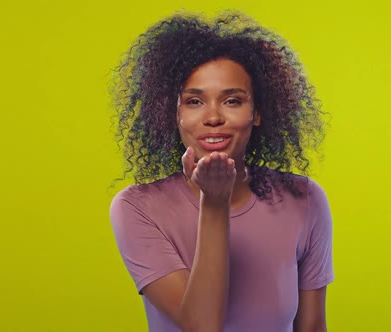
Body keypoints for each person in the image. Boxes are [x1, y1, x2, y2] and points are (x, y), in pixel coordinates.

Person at [109, 10, 334, 332]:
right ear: (174, 115)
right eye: (194, 101)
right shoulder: (137, 207)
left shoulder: (304, 199)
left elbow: (312, 327)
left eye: (232, 100)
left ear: (256, 113)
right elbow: (202, 326)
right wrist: (214, 202)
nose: (213, 117)